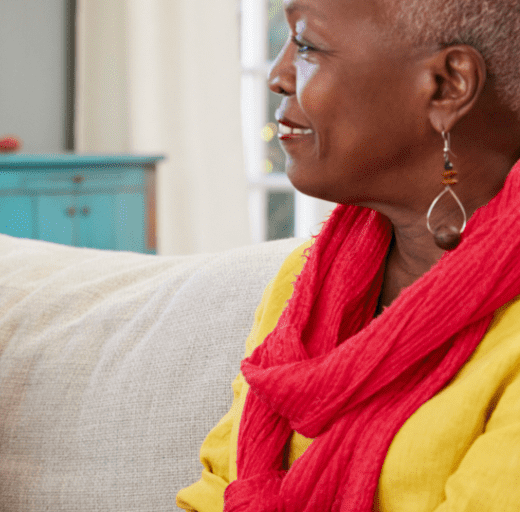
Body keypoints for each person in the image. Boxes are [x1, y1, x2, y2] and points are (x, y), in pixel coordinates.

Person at [176, 0, 520, 510]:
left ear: (447, 86)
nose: (277, 75)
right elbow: (217, 490)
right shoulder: (308, 282)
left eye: (308, 45)